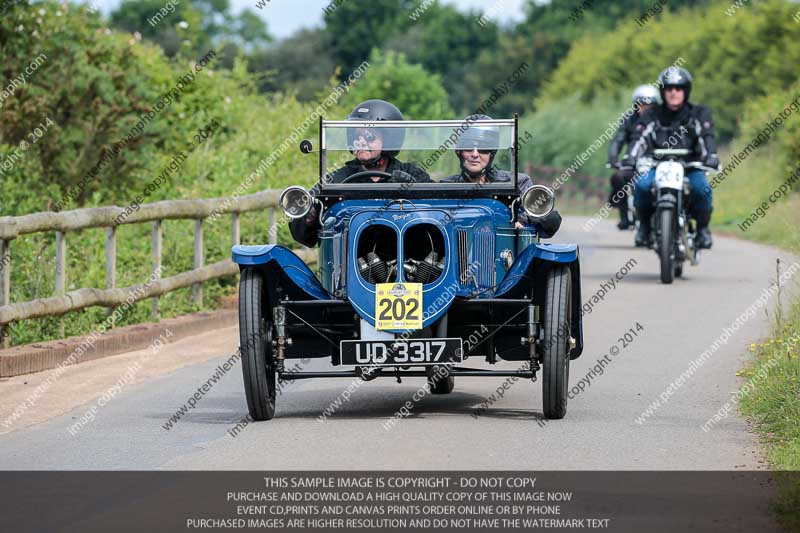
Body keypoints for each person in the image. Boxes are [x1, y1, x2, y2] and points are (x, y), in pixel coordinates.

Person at [289, 100, 430, 246]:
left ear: (390, 140)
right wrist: (311, 214)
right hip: (349, 255)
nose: (361, 141)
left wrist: (413, 191)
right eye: (356, 136)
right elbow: (302, 235)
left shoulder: (410, 174)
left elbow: (437, 210)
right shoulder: (337, 179)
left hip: (405, 252)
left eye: (369, 137)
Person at [627, 67, 719, 248]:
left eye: (678, 88)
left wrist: (711, 155)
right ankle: (644, 227)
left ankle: (702, 230)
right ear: (663, 91)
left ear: (686, 91)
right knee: (642, 185)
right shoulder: (651, 114)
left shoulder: (699, 113)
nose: (674, 92)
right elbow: (639, 137)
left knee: (703, 189)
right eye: (669, 88)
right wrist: (630, 156)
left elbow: (707, 136)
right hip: (656, 164)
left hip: (690, 165)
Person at [444, 114, 562, 238]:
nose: (475, 154)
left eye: (483, 148)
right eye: (468, 147)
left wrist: (522, 222)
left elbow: (548, 225)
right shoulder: (446, 187)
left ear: (492, 153)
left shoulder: (517, 183)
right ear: (459, 151)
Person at [607, 85, 661, 230]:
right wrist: (613, 158)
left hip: (657, 163)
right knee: (618, 177)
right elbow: (618, 140)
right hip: (633, 162)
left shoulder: (662, 119)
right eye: (641, 105)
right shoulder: (629, 119)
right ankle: (624, 216)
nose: (644, 109)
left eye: (650, 106)